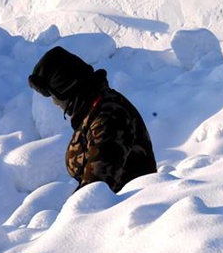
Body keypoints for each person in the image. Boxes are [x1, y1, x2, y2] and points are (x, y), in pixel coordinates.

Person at [28, 46, 157, 193]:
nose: (54, 103)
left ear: (67, 89)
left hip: (131, 211)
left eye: (54, 97)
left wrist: (69, 214)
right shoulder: (93, 111)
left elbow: (95, 188)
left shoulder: (109, 116)